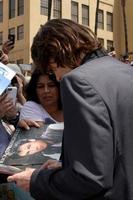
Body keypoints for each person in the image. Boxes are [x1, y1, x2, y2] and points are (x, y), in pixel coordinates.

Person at [7, 18, 133, 200]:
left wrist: (35, 180)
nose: (57, 79)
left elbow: (89, 178)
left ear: (56, 56)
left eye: (52, 71)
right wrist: (67, 166)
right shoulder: (125, 71)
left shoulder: (77, 80)